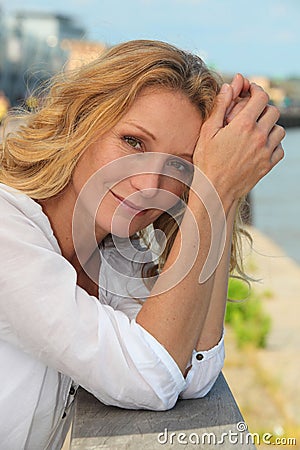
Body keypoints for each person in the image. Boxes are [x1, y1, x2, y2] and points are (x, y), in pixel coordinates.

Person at [0, 40, 285, 449]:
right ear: (84, 121)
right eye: (133, 142)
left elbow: (192, 371)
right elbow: (151, 376)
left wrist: (226, 188)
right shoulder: (8, 232)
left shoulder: (113, 255)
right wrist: (215, 187)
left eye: (180, 166)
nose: (150, 186)